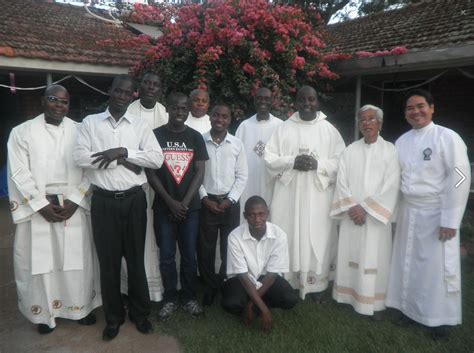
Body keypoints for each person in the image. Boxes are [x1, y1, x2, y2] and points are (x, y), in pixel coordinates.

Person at [74, 75, 163, 341]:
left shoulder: (140, 124)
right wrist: (120, 160)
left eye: (127, 93)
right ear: (109, 91)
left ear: (132, 95)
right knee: (109, 263)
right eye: (118, 91)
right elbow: (80, 157)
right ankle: (113, 318)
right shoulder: (90, 123)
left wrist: (123, 151)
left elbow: (156, 159)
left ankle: (140, 314)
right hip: (103, 202)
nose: (122, 96)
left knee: (136, 260)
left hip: (135, 200)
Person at [7, 85, 100, 334]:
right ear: (42, 101)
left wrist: (76, 200)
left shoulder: (81, 130)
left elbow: (91, 168)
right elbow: (18, 172)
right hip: (39, 205)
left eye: (64, 102)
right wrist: (40, 205)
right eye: (53, 100)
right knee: (41, 263)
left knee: (76, 261)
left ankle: (80, 308)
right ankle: (46, 314)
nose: (59, 105)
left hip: (72, 205)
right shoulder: (21, 132)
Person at [386, 89, 470, 341]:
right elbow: (394, 180)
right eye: (410, 108)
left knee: (434, 269)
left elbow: (461, 178)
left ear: (432, 108)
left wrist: (450, 218)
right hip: (409, 210)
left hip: (436, 212)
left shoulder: (447, 137)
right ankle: (409, 311)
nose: (415, 111)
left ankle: (438, 320)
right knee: (408, 266)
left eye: (420, 106)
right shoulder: (401, 141)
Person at [264, 86, 345, 300]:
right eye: (302, 100)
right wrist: (292, 162)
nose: (307, 104)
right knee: (288, 234)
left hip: (317, 197)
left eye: (311, 99)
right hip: (289, 196)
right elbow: (269, 158)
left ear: (317, 102)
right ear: (296, 103)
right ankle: (288, 281)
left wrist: (317, 164)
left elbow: (341, 162)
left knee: (316, 237)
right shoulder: (284, 128)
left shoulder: (329, 130)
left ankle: (315, 285)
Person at [330, 105, 400, 319]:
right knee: (351, 253)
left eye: (371, 119)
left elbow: (391, 185)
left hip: (375, 218)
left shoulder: (390, 150)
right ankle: (346, 296)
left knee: (375, 257)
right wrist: (352, 207)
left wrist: (366, 209)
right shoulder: (350, 150)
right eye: (363, 120)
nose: (367, 123)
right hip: (353, 216)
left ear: (380, 123)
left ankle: (375, 302)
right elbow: (341, 181)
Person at [146, 92, 208, 321]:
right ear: (168, 109)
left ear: (188, 111)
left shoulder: (195, 137)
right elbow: (151, 173)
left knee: (190, 256)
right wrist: (170, 202)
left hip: (190, 209)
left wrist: (183, 203)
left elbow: (200, 172)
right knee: (167, 256)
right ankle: (170, 298)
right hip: (164, 207)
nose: (180, 112)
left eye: (184, 109)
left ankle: (189, 298)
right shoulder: (155, 135)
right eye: (175, 108)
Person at [222, 196, 298, 333]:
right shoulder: (234, 236)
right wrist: (265, 310)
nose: (257, 219)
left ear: (267, 213)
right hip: (242, 280)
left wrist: (252, 305)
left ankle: (252, 306)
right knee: (230, 303)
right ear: (245, 216)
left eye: (261, 214)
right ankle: (258, 304)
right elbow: (242, 276)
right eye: (252, 215)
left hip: (266, 279)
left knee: (290, 299)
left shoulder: (279, 235)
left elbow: (272, 275)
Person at [123, 71, 168, 302]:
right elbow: (123, 149)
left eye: (156, 84)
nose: (151, 88)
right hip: (137, 182)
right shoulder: (128, 111)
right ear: (140, 88)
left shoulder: (165, 114)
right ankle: (134, 286)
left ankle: (159, 286)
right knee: (138, 236)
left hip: (160, 185)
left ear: (160, 90)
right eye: (147, 84)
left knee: (158, 234)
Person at [198, 104, 248, 306]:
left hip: (230, 203)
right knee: (205, 248)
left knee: (229, 246)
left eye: (224, 116)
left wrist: (230, 200)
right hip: (206, 201)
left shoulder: (236, 144)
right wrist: (204, 198)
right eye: (216, 115)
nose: (220, 119)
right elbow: (195, 174)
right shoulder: (199, 141)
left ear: (230, 120)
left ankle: (224, 282)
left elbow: (242, 175)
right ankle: (209, 286)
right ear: (210, 117)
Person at [235, 87, 282, 211]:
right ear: (254, 100)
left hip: (272, 182)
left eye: (267, 99)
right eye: (260, 98)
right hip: (248, 182)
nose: (263, 102)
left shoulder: (281, 126)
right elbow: (235, 158)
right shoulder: (244, 126)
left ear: (272, 101)